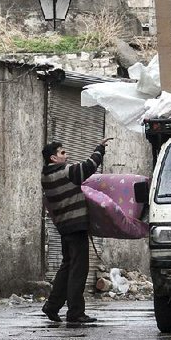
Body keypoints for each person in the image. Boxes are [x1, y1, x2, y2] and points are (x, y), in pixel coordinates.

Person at [40, 138, 111, 323]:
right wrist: (100, 149)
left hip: (64, 228)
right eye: (63, 153)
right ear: (53, 158)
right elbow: (88, 166)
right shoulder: (65, 172)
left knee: (67, 267)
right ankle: (75, 312)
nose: (67, 155)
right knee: (79, 269)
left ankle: (52, 306)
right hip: (76, 226)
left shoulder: (45, 176)